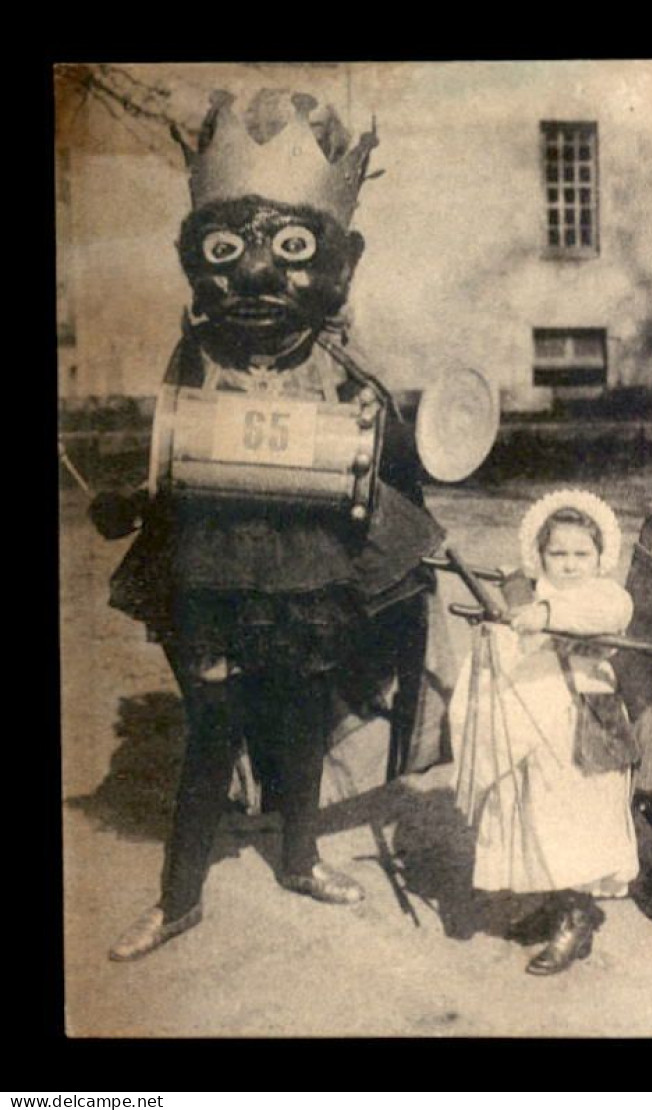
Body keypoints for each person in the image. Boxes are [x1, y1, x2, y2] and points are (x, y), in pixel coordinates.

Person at [92, 90, 448, 961]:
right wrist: (129, 501)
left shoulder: (341, 362)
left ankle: (299, 859)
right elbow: (169, 461)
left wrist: (395, 449)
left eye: (289, 248)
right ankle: (177, 900)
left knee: (295, 713)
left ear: (341, 259)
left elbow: (392, 463)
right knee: (212, 729)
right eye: (224, 249)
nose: (253, 274)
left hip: (305, 568)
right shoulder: (195, 355)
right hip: (210, 571)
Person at [449, 489, 639, 976]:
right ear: (541, 555)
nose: (571, 565)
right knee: (535, 807)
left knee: (571, 811)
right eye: (559, 554)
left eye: (582, 554)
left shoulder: (603, 597)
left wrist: (545, 616)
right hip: (541, 706)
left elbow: (601, 616)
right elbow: (521, 599)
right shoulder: (537, 589)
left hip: (581, 714)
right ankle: (557, 900)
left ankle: (576, 918)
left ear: (600, 557)